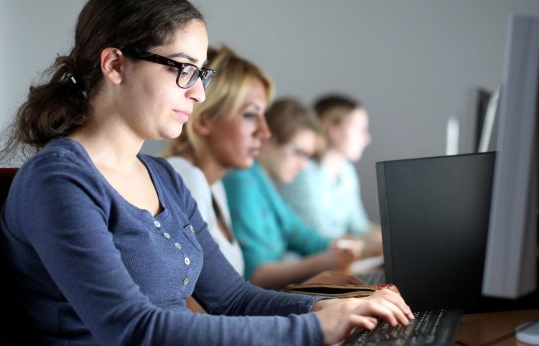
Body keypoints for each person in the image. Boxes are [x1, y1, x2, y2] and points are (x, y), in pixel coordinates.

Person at [0, 0, 412, 344]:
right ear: (115, 65)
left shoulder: (164, 178)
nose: (198, 92)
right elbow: (131, 329)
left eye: (201, 72)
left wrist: (327, 308)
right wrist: (315, 328)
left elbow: (231, 297)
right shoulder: (59, 181)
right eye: (182, 69)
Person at [223, 98, 363, 289]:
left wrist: (346, 248)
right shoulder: (242, 181)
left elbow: (302, 236)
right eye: (298, 152)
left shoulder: (263, 182)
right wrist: (325, 262)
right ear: (269, 139)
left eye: (308, 156)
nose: (303, 165)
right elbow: (255, 275)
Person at [161, 44, 272, 277]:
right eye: (251, 115)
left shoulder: (214, 184)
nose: (264, 132)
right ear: (204, 120)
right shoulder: (186, 179)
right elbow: (197, 310)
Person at [276, 93, 380, 242]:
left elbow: (360, 227)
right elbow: (319, 238)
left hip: (339, 257)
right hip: (311, 261)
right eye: (360, 129)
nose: (366, 138)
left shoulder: (346, 172)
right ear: (332, 129)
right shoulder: (303, 172)